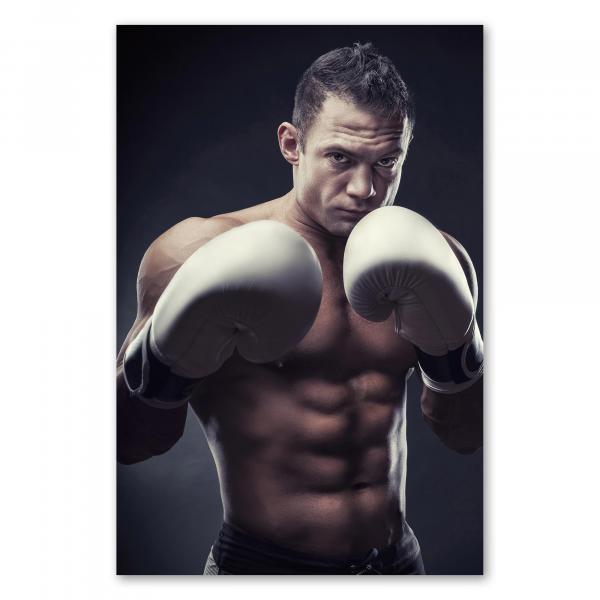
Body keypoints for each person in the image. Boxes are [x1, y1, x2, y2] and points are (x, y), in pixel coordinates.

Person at [116, 42, 483, 575]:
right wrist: (160, 361)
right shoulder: (196, 251)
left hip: (398, 564)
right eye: (340, 157)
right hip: (263, 568)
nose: (365, 189)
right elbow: (132, 443)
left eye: (386, 162)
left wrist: (461, 357)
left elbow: (465, 435)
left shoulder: (438, 257)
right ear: (292, 144)